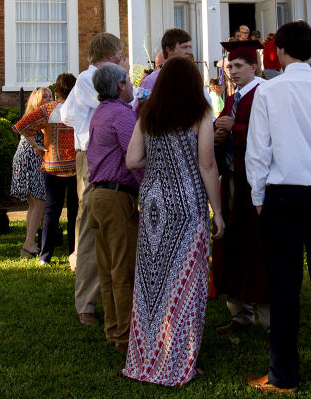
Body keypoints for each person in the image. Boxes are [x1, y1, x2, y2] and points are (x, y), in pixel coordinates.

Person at [244, 20, 311, 392]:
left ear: (282, 52)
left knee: (284, 286)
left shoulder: (270, 93)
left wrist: (258, 196)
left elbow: (258, 152)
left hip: (282, 195)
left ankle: (284, 374)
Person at [123, 57, 224, 386]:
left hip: (153, 204)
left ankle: (145, 359)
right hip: (186, 204)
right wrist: (218, 212)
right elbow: (207, 166)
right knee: (185, 282)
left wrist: (160, 160)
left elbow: (133, 159)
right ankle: (179, 361)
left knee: (151, 281)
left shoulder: (148, 115)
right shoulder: (200, 114)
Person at [53, 32, 126, 326]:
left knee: (105, 225)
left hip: (101, 152)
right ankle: (85, 301)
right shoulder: (89, 79)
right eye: (121, 57)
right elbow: (115, 106)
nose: (123, 61)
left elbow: (67, 114)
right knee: (90, 226)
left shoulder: (86, 81)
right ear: (110, 57)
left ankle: (107, 297)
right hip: (95, 156)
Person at [210, 39, 269, 336]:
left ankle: (267, 316)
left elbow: (269, 135)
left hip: (255, 183)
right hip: (232, 180)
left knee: (257, 245)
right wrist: (218, 134)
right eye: (229, 66)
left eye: (238, 66)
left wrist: (235, 129)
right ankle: (240, 313)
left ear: (253, 67)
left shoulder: (263, 94)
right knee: (231, 243)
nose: (231, 71)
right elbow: (222, 128)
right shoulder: (232, 99)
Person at [86, 63, 142, 351]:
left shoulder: (102, 112)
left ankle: (114, 332)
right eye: (128, 81)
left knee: (108, 271)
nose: (132, 85)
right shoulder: (120, 114)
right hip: (116, 197)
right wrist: (149, 187)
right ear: (121, 86)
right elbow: (134, 156)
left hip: (97, 196)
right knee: (124, 271)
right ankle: (127, 337)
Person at [12, 74, 78, 264]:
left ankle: (45, 255)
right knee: (75, 212)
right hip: (75, 167)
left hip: (52, 166)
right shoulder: (81, 109)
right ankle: (73, 254)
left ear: (57, 90)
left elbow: (21, 126)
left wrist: (36, 146)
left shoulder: (48, 109)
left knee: (51, 212)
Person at [10, 87, 50, 258]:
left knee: (34, 204)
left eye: (50, 96)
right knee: (39, 202)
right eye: (44, 97)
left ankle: (31, 241)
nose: (48, 100)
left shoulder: (42, 113)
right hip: (31, 159)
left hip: (26, 158)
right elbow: (23, 129)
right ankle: (29, 244)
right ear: (36, 100)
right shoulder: (38, 114)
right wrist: (36, 146)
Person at [134, 28, 193, 113]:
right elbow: (138, 113)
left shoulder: (192, 78)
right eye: (184, 47)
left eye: (190, 47)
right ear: (169, 49)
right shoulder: (150, 81)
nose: (189, 52)